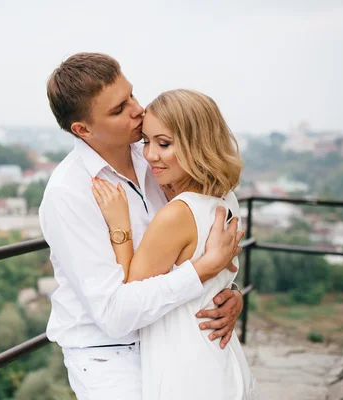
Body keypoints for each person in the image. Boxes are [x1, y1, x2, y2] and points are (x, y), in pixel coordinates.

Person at [39, 52, 245, 399]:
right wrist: (203, 271)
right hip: (111, 357)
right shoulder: (69, 194)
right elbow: (115, 314)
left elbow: (199, 238)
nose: (137, 109)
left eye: (132, 95)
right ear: (83, 129)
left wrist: (229, 293)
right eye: (119, 109)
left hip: (175, 338)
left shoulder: (159, 155)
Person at [91, 89, 256, 399]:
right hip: (223, 357)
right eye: (147, 142)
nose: (151, 155)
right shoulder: (227, 200)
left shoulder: (176, 215)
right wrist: (234, 294)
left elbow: (130, 296)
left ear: (198, 145)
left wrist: (119, 225)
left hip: (188, 370)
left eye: (164, 144)